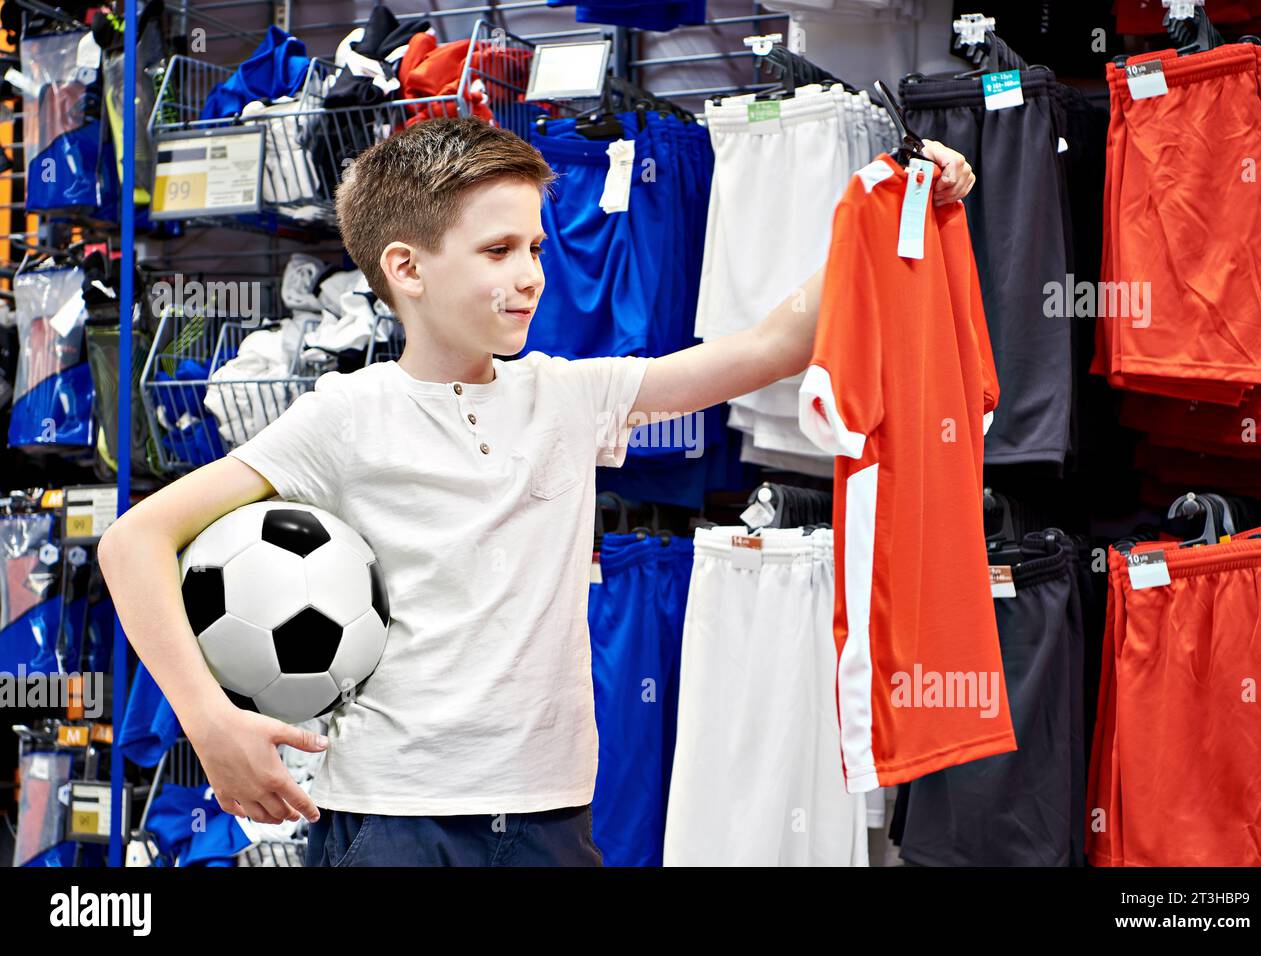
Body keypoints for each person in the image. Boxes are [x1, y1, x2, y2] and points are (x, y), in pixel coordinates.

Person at [99, 116, 975, 866]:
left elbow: (769, 347)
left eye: (535, 249)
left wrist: (894, 202)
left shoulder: (564, 395)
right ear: (406, 268)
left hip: (552, 816)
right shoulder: (347, 414)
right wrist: (210, 725)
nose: (531, 274)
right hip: (394, 821)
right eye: (498, 250)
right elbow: (132, 541)